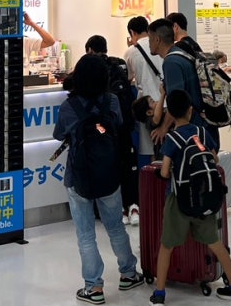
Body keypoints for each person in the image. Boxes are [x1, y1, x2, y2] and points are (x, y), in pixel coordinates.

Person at [53, 53, 144, 305]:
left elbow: (59, 134)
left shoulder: (69, 106)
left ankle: (93, 287)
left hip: (78, 176)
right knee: (115, 226)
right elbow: (119, 125)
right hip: (109, 172)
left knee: (85, 234)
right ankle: (128, 273)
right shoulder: (112, 101)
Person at [148, 88, 231, 306]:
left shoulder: (172, 138)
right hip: (205, 196)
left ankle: (159, 295)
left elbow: (164, 172)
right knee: (216, 244)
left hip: (178, 200)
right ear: (190, 110)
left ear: (171, 114)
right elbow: (214, 159)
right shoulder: (202, 132)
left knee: (166, 246)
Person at [84, 34, 139, 225]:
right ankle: (133, 206)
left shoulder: (89, 66)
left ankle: (115, 210)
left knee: (108, 166)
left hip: (102, 129)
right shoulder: (119, 63)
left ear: (90, 50)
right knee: (127, 165)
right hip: (124, 126)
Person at [148, 19, 219, 151]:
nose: (149, 44)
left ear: (157, 40)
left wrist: (163, 128)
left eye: (150, 39)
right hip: (205, 127)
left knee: (197, 160)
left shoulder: (171, 62)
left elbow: (176, 101)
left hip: (195, 131)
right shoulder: (182, 54)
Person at [124, 16, 164, 171]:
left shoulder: (131, 52)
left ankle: (153, 180)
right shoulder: (160, 45)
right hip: (164, 101)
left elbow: (128, 77)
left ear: (132, 32)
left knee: (150, 150)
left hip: (146, 106)